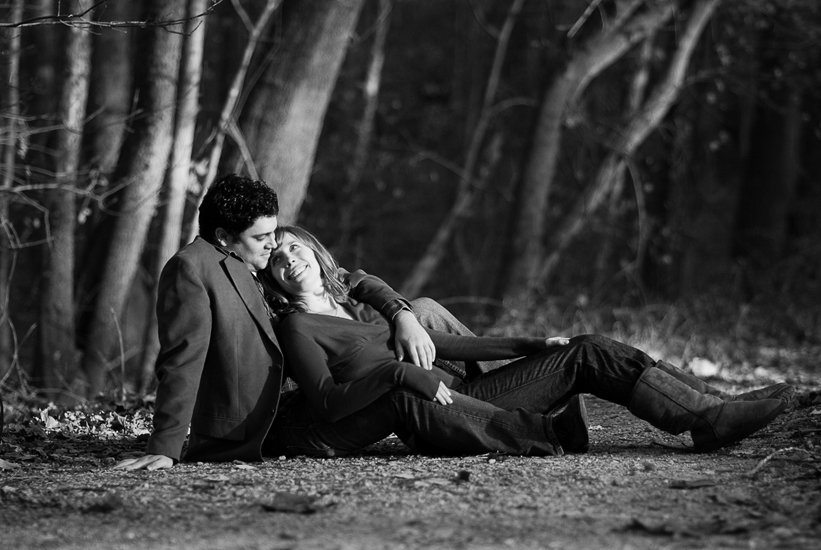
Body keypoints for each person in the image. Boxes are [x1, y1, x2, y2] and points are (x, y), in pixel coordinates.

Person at [114, 174, 587, 470]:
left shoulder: (252, 262)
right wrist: (167, 445)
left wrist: (400, 312)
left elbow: (342, 277)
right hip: (252, 425)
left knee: (422, 314)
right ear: (223, 236)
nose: (271, 245)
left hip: (293, 402)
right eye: (262, 238)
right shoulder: (192, 269)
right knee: (399, 386)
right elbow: (182, 359)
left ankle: (502, 403)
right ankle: (532, 426)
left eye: (275, 235)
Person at [259, 224, 795, 457]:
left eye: (293, 247)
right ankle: (702, 419)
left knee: (583, 346)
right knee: (584, 355)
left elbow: (448, 348)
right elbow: (328, 402)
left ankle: (706, 412)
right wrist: (397, 372)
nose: (288, 259)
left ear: (313, 249)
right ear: (275, 279)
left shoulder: (352, 301)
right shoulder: (299, 327)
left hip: (462, 393)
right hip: (442, 416)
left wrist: (530, 343)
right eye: (277, 259)